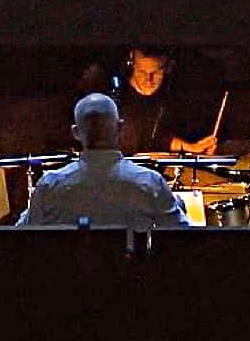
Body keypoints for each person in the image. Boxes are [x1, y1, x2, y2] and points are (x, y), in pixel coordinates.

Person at [15, 92, 189, 229]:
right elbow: (185, 237)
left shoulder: (50, 185)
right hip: (131, 275)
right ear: (120, 128)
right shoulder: (151, 184)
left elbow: (20, 236)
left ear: (76, 132)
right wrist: (178, 205)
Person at [107, 48, 222, 157]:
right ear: (131, 64)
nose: (148, 79)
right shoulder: (115, 97)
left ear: (167, 68)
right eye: (142, 72)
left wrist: (193, 148)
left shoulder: (171, 95)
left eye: (156, 72)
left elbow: (158, 138)